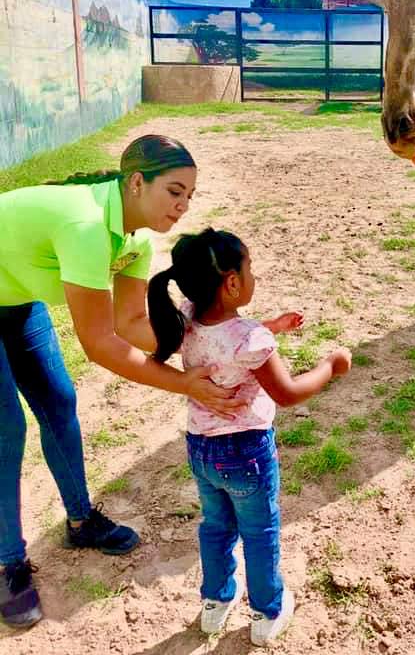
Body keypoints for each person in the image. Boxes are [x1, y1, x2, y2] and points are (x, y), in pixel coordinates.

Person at [0, 135, 248, 631]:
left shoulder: (135, 238)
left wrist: (214, 341)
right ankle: (8, 563)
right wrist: (185, 384)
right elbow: (100, 345)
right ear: (137, 183)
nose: (182, 206)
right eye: (174, 191)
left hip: (16, 297)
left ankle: (80, 521)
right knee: (7, 429)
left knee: (58, 404)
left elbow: (132, 323)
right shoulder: (88, 227)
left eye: (190, 197)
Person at [147, 227, 352, 646]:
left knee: (216, 527)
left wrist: (271, 325)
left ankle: (214, 604)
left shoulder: (186, 315)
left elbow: (225, 340)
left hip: (201, 450)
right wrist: (331, 366)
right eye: (250, 267)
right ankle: (266, 612)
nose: (254, 275)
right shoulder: (251, 340)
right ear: (233, 282)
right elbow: (288, 392)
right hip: (246, 454)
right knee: (260, 533)